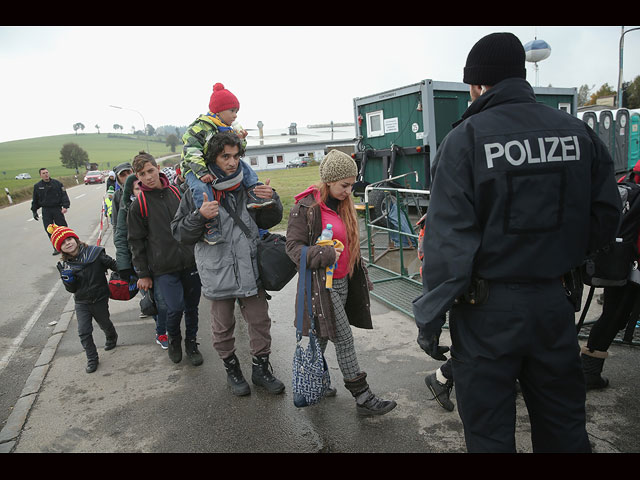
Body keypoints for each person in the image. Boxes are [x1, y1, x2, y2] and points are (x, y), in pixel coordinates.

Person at [411, 32, 621, 452]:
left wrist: (430, 320)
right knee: (563, 426)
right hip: (554, 302)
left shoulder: (465, 140)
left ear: (476, 84)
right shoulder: (576, 133)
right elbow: (606, 214)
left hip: (486, 312)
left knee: (489, 435)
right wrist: (563, 260)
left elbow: (447, 247)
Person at [171, 132, 285, 396]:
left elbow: (267, 221)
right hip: (217, 272)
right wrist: (199, 217)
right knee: (222, 329)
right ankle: (232, 370)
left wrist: (272, 199)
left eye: (236, 156)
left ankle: (261, 370)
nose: (232, 162)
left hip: (250, 270)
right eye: (225, 157)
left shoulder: (248, 185)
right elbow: (179, 233)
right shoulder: (195, 192)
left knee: (260, 323)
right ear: (213, 158)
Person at [285, 149, 397, 417]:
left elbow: (350, 245)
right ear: (327, 181)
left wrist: (363, 273)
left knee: (322, 336)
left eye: (351, 184)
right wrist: (323, 254)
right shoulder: (306, 209)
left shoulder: (345, 205)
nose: (349, 191)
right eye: (344, 185)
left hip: (344, 281)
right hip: (321, 286)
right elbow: (292, 248)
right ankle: (362, 395)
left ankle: (310, 384)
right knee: (344, 338)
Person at [127, 151, 203, 366]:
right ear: (137, 177)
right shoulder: (138, 205)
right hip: (163, 268)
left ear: (157, 168)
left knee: (192, 308)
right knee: (174, 307)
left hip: (190, 262)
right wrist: (142, 273)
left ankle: (191, 343)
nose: (148, 176)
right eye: (142, 174)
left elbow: (192, 222)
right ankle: (174, 340)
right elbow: (136, 242)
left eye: (151, 170)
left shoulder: (178, 193)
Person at [180, 82, 273, 246]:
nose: (235, 115)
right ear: (218, 110)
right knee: (201, 189)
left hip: (213, 166)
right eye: (232, 111)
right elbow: (191, 151)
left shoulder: (227, 128)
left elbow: (237, 151)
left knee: (243, 166)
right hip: (193, 168)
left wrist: (241, 139)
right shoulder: (201, 127)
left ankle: (254, 191)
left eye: (236, 111)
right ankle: (210, 224)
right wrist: (201, 173)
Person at [582, 158, 640, 389]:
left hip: (620, 257)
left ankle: (589, 370)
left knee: (612, 315)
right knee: (615, 315)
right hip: (634, 258)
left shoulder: (630, 177)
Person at [51, 223, 118, 373]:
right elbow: (72, 289)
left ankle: (111, 336)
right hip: (82, 302)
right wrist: (68, 281)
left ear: (75, 239)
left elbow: (113, 265)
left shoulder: (95, 253)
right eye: (62, 242)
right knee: (83, 331)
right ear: (59, 248)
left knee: (104, 322)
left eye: (69, 239)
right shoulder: (65, 266)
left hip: (100, 298)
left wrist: (127, 274)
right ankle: (92, 358)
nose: (67, 243)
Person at [113, 171, 169, 349]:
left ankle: (166, 327)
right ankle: (161, 331)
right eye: (137, 188)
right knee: (154, 301)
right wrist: (124, 267)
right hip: (139, 265)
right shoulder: (126, 210)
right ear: (131, 191)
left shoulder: (155, 203)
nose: (141, 190)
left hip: (161, 260)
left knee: (165, 301)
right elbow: (121, 238)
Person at [31, 168, 71, 255]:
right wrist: (34, 211)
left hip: (57, 209)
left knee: (62, 227)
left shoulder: (57, 183)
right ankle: (56, 247)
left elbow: (64, 195)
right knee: (49, 229)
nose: (46, 174)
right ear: (40, 175)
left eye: (47, 172)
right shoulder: (37, 186)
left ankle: (68, 244)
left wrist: (65, 206)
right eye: (43, 173)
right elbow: (35, 199)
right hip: (46, 210)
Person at [110, 162, 133, 232]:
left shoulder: (144, 189)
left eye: (129, 172)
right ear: (118, 179)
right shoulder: (117, 196)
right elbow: (115, 222)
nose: (127, 176)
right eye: (122, 175)